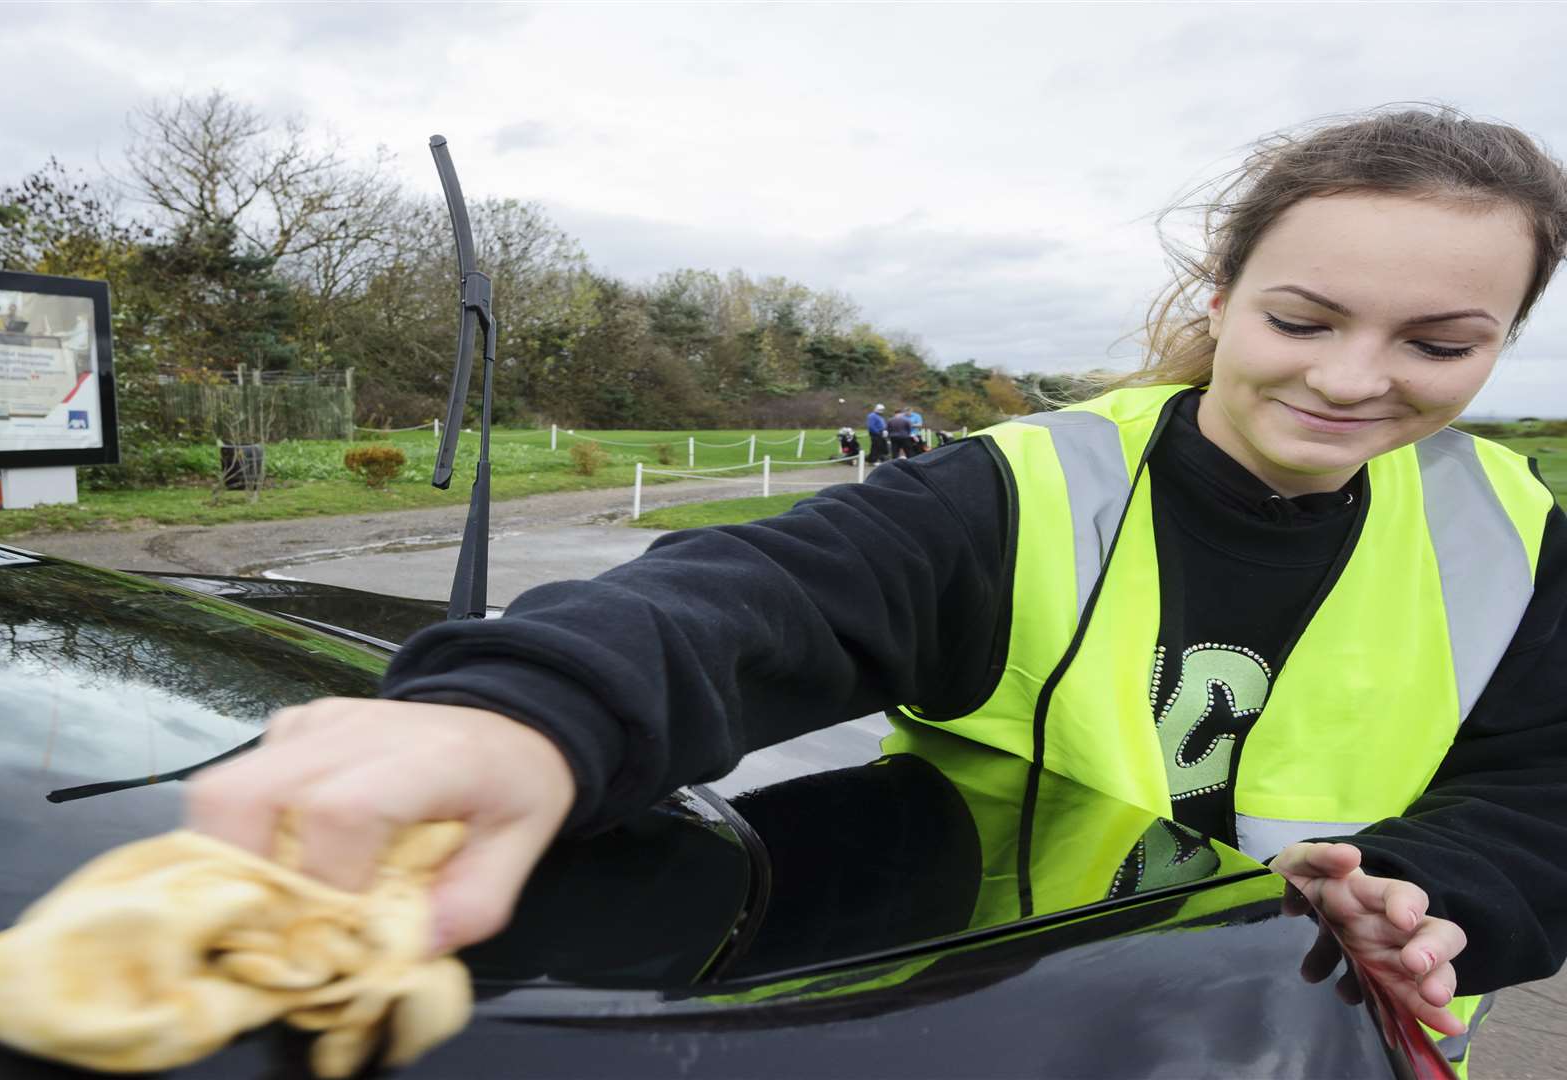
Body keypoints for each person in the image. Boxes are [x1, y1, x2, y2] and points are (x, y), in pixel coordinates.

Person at [187, 107, 1567, 1076]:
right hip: (1007, 1037)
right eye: (1302, 320)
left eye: (1440, 343)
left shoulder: (1516, 529)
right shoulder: (1028, 484)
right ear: (1222, 289)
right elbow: (766, 593)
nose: (1349, 377)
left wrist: (1432, 888)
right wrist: (523, 717)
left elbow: (1542, 795)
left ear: (1505, 340)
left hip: (1318, 1042)